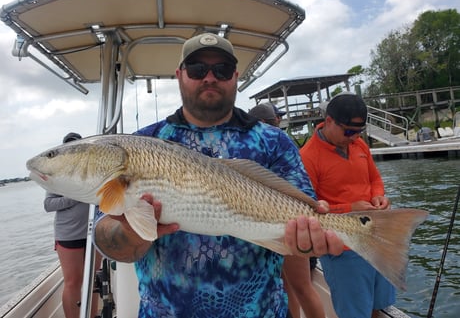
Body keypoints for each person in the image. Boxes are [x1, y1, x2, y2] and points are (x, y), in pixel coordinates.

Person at [94, 32, 344, 318]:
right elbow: (105, 238)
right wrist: (129, 232)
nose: (209, 77)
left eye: (222, 70)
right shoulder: (143, 144)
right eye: (198, 69)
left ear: (235, 75)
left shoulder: (275, 142)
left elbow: (303, 222)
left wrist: (308, 240)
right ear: (179, 75)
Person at [299, 93, 396, 318]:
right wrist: (349, 208)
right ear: (329, 120)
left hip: (376, 237)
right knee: (354, 311)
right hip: (342, 247)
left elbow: (374, 179)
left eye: (358, 132)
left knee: (380, 304)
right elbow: (307, 210)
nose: (353, 138)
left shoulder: (359, 145)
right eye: (349, 132)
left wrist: (379, 197)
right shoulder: (307, 157)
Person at [249, 102, 325, 318]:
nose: (278, 124)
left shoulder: (274, 142)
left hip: (284, 222)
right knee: (293, 287)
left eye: (278, 120)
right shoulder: (277, 142)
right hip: (273, 224)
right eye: (275, 121)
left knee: (299, 287)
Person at [44, 132, 103, 318]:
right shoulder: (57, 177)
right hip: (68, 235)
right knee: (72, 282)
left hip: (94, 233)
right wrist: (74, 196)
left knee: (92, 280)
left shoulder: (95, 173)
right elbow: (48, 204)